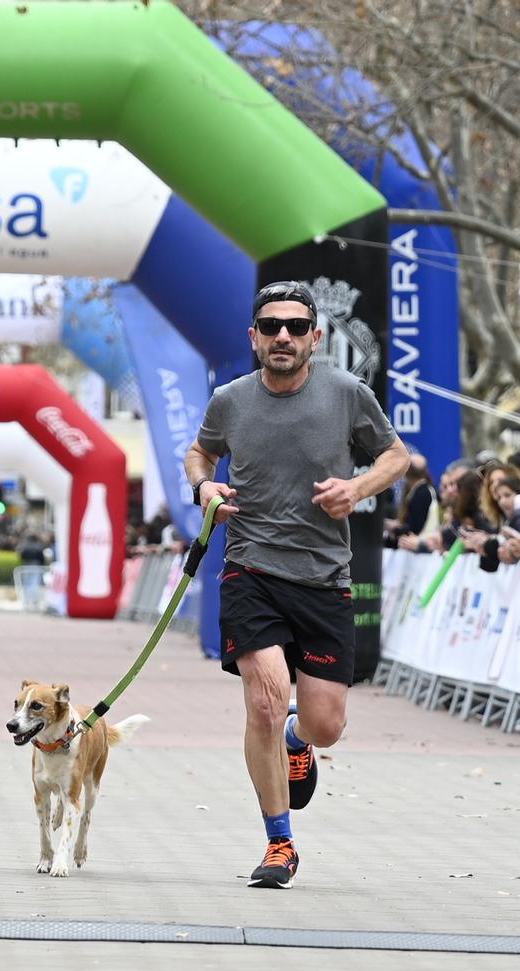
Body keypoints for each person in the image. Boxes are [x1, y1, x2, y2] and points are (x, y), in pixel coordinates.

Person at [184, 279, 410, 888]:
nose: (282, 336)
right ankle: (280, 842)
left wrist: (356, 489)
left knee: (326, 723)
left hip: (324, 575)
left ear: (315, 336)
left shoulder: (345, 393)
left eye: (295, 327)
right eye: (270, 327)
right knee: (263, 695)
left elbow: (397, 457)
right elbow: (199, 454)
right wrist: (204, 487)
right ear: (253, 337)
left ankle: (297, 738)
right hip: (251, 566)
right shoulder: (230, 400)